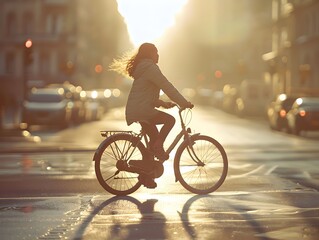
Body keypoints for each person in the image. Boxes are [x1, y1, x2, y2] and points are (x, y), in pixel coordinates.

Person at [111, 42, 193, 188]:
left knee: (153, 140)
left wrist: (163, 103)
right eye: (156, 52)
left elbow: (147, 95)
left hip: (139, 109)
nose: (158, 55)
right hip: (142, 110)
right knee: (170, 120)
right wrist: (184, 102)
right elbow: (167, 87)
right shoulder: (150, 68)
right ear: (150, 54)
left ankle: (147, 176)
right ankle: (157, 148)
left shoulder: (143, 68)